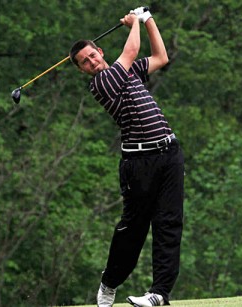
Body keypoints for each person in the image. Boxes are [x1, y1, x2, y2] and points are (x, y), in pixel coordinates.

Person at [69, 7, 184, 307]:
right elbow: (131, 50)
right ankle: (110, 283)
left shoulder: (128, 70)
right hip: (138, 164)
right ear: (82, 70)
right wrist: (134, 23)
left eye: (92, 55)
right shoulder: (102, 83)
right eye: (85, 62)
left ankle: (159, 293)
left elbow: (161, 57)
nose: (92, 62)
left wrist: (148, 21)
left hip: (169, 154)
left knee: (168, 223)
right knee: (133, 231)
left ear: (100, 51)